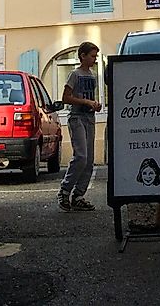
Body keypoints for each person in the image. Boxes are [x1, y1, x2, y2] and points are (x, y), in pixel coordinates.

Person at [58, 42, 102, 212]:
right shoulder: (74, 74)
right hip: (77, 118)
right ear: (82, 56)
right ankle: (65, 190)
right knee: (81, 156)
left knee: (89, 159)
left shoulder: (92, 76)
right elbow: (66, 98)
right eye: (92, 55)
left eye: (95, 56)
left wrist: (94, 105)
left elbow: (90, 97)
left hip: (89, 117)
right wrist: (85, 102)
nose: (94, 59)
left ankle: (79, 195)